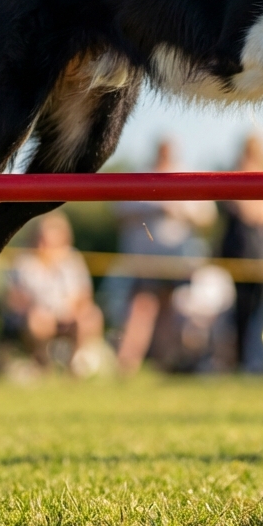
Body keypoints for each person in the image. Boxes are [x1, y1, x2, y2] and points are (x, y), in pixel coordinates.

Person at [115, 140, 217, 374]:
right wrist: (155, 208)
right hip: (146, 262)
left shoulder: (189, 175)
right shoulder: (140, 176)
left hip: (177, 261)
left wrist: (180, 211)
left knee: (169, 310)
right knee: (143, 307)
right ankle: (127, 362)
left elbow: (207, 216)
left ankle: (165, 363)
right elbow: (120, 211)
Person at [3, 210, 108, 375]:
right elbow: (14, 298)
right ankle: (42, 363)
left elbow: (84, 295)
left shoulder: (73, 259)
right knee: (36, 320)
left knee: (91, 316)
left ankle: (76, 364)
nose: (44, 245)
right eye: (42, 239)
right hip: (37, 315)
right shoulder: (24, 261)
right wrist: (37, 310)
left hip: (68, 315)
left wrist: (73, 311)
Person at [218, 135, 263, 367]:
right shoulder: (236, 174)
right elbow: (248, 212)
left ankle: (258, 358)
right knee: (240, 308)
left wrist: (262, 213)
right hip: (241, 252)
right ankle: (239, 359)